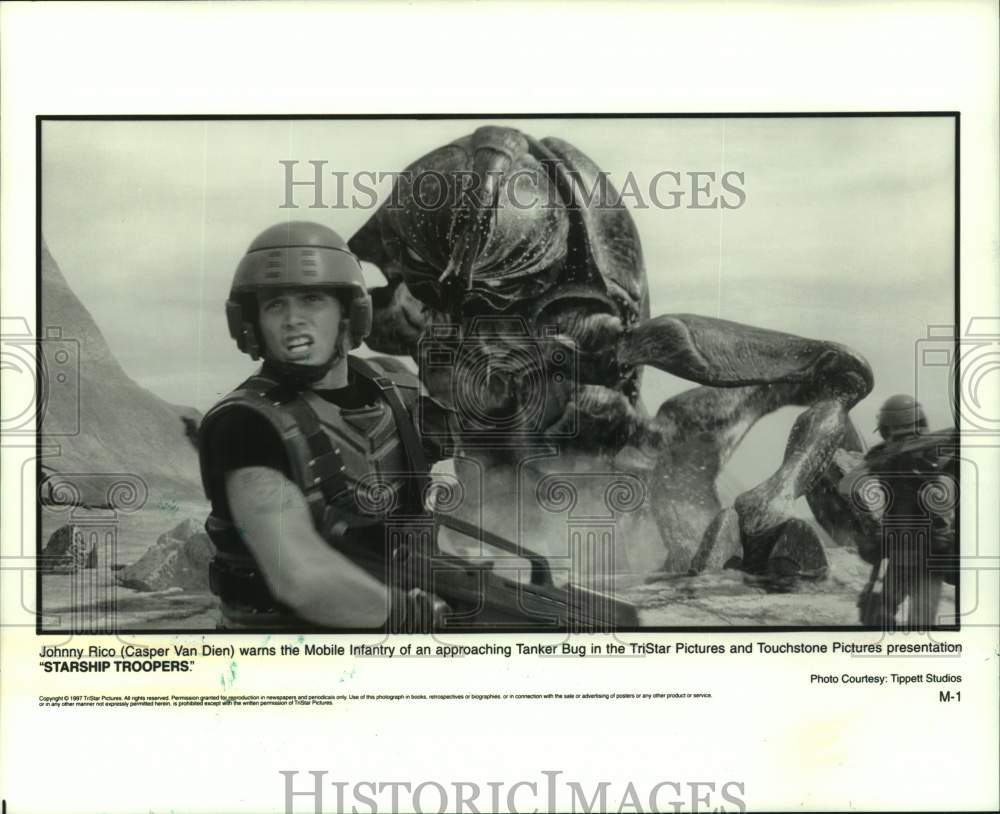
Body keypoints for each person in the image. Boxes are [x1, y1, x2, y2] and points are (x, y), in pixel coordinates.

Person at [198, 221, 449, 630]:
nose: (293, 319)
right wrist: (410, 615)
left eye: (311, 299)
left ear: (349, 312)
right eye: (275, 305)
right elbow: (298, 576)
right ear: (253, 323)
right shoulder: (247, 425)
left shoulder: (398, 389)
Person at [854, 394, 956, 629]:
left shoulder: (882, 458)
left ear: (885, 427)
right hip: (925, 550)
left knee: (883, 613)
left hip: (909, 548)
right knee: (915, 623)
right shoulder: (939, 454)